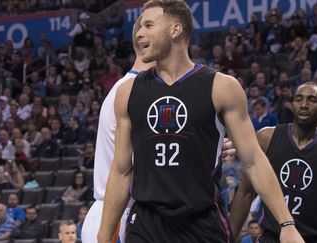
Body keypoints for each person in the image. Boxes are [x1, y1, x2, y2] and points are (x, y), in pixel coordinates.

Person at [98, 1, 303, 243]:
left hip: (202, 222)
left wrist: (287, 224)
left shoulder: (221, 87)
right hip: (146, 224)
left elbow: (253, 159)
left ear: (175, 30)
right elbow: (121, 170)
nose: (139, 33)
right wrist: (104, 234)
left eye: (149, 25)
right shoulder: (127, 92)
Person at [82, 15, 238, 243]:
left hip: (117, 211)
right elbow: (151, 159)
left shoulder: (126, 88)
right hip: (122, 214)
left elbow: (159, 146)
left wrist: (206, 146)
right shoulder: (133, 92)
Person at [229, 82, 317, 243]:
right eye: (299, 99)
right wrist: (228, 239)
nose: (304, 105)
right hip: (271, 237)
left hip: (315, 238)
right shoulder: (266, 139)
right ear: (292, 104)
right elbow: (246, 192)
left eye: (312, 99)